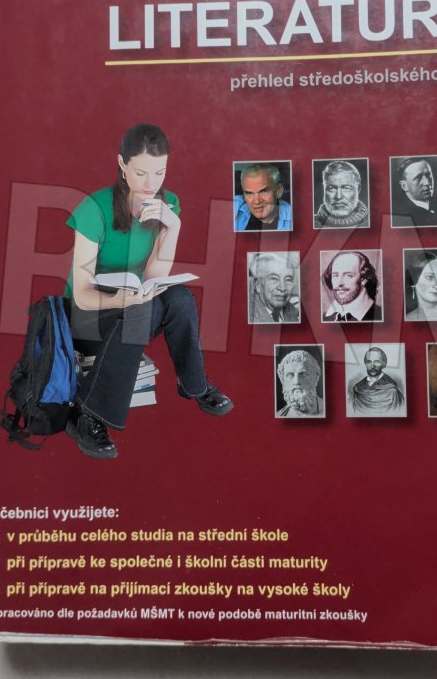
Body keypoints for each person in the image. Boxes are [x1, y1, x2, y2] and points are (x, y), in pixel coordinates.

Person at [64, 122, 233, 459]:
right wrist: (122, 299)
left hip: (132, 309)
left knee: (180, 297)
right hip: (87, 317)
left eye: (159, 173)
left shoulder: (167, 203)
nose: (150, 184)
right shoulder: (94, 209)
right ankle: (88, 416)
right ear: (122, 164)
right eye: (141, 173)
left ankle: (194, 384)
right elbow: (82, 293)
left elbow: (155, 276)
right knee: (140, 310)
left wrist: (174, 226)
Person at [322, 251, 382, 322]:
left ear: (363, 279)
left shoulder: (380, 316)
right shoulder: (324, 318)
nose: (339, 283)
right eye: (335, 275)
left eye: (349, 275)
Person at [233, 163, 292, 231]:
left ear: (279, 191)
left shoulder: (294, 218)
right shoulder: (234, 208)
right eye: (249, 193)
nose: (257, 201)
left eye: (263, 192)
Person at [348, 347, 405, 415]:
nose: (372, 366)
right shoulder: (357, 388)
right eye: (369, 362)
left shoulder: (392, 391)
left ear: (383, 363)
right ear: (365, 363)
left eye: (377, 361)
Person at [313, 159, 369, 228]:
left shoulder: (373, 222)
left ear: (358, 189)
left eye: (346, 188)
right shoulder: (311, 223)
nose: (338, 196)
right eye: (331, 188)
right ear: (323, 189)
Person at [247, 252, 300, 323]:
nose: (282, 288)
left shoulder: (292, 310)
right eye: (274, 279)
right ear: (258, 285)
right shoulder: (249, 315)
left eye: (288, 279)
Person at [391, 156, 437, 227]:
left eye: (428, 175)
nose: (426, 183)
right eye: (418, 178)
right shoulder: (400, 217)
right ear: (404, 186)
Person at [276, 349, 324, 417]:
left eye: (304, 374)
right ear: (282, 380)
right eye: (290, 375)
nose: (297, 382)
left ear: (316, 378)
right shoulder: (279, 416)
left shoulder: (329, 409)